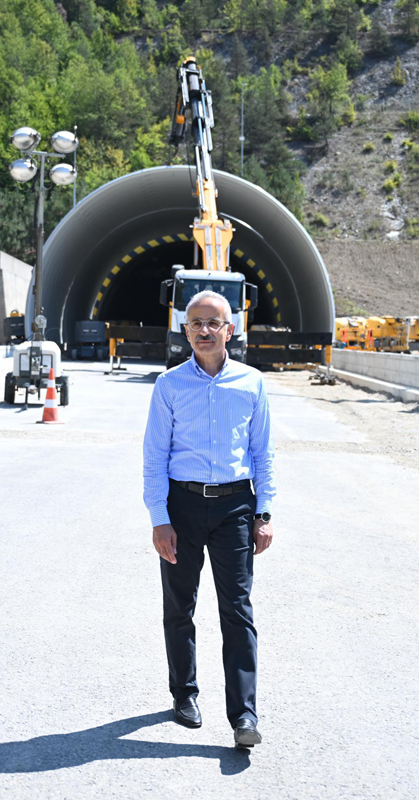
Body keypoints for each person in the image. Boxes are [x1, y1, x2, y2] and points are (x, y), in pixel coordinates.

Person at [142, 289, 274, 748]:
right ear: (185, 330)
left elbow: (263, 453)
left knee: (237, 611)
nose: (203, 330)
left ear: (229, 329)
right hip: (182, 507)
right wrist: (160, 518)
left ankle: (245, 716)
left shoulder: (252, 383)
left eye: (212, 322)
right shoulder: (170, 385)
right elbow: (155, 456)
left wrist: (264, 513)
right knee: (180, 608)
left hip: (236, 507)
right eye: (195, 322)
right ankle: (185, 694)